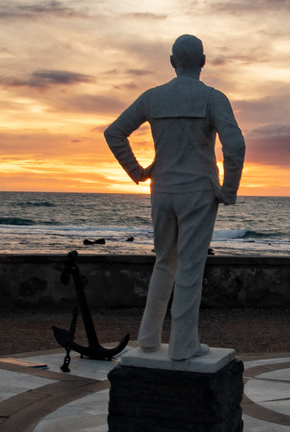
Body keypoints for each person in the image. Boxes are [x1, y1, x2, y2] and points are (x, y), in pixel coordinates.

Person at [104, 34, 245, 360]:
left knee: (165, 263)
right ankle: (183, 344)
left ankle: (149, 338)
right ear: (203, 61)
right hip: (197, 192)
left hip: (162, 191)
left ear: (172, 61)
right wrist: (229, 190)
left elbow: (114, 132)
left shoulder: (153, 98)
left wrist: (138, 172)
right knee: (190, 269)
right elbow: (235, 146)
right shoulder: (212, 98)